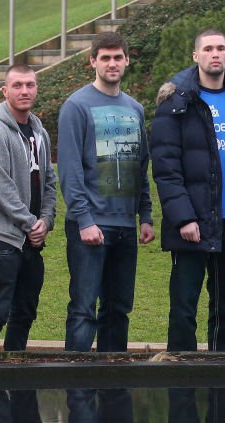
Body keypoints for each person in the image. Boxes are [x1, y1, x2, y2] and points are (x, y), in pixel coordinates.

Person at [151, 28, 225, 352]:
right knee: (183, 309)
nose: (215, 54)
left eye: (221, 48)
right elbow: (166, 168)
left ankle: (222, 379)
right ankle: (182, 380)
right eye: (208, 49)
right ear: (196, 56)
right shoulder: (175, 102)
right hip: (193, 224)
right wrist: (183, 218)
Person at [57, 32, 154, 352]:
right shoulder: (76, 106)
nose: (112, 63)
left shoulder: (135, 109)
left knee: (118, 309)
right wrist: (84, 221)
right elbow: (69, 171)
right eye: (105, 58)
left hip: (126, 225)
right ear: (93, 62)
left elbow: (141, 167)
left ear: (127, 60)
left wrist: (146, 216)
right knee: (84, 309)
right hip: (90, 226)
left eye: (118, 57)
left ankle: (113, 385)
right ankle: (78, 384)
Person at [0, 64, 57, 352]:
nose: (25, 91)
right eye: (18, 85)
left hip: (32, 240)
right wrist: (29, 222)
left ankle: (15, 374)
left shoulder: (39, 131)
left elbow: (49, 180)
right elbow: (0, 186)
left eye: (30, 85)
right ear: (5, 91)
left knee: (25, 314)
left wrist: (46, 221)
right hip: (1, 239)